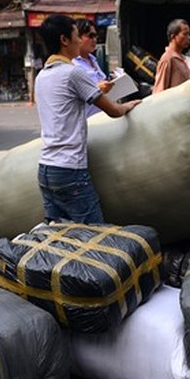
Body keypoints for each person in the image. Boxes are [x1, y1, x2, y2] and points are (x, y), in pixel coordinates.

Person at [36, 15, 140, 224]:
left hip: (46, 168)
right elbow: (113, 111)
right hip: (70, 170)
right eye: (77, 35)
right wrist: (132, 105)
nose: (79, 40)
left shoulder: (41, 76)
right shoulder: (73, 72)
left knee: (58, 237)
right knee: (94, 236)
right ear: (65, 40)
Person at [73, 18, 113, 117]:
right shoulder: (72, 64)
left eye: (95, 36)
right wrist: (97, 89)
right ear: (77, 38)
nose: (94, 40)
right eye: (90, 36)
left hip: (103, 117)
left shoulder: (93, 59)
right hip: (87, 121)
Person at [152, 18, 190, 93]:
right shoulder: (168, 59)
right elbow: (159, 90)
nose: (189, 38)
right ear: (173, 37)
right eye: (185, 34)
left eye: (189, 34)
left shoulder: (181, 58)